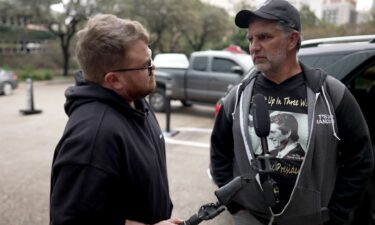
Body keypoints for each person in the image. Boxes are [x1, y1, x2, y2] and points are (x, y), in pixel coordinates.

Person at [210, 0, 374, 225]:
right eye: (251, 39)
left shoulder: (331, 94)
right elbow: (219, 153)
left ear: (292, 40)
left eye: (264, 37)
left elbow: (360, 160)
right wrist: (236, 206)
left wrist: (337, 214)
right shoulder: (237, 97)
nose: (254, 47)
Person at [49, 14, 182, 225]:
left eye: (151, 57)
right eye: (145, 64)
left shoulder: (135, 101)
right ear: (114, 80)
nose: (153, 67)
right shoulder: (92, 139)